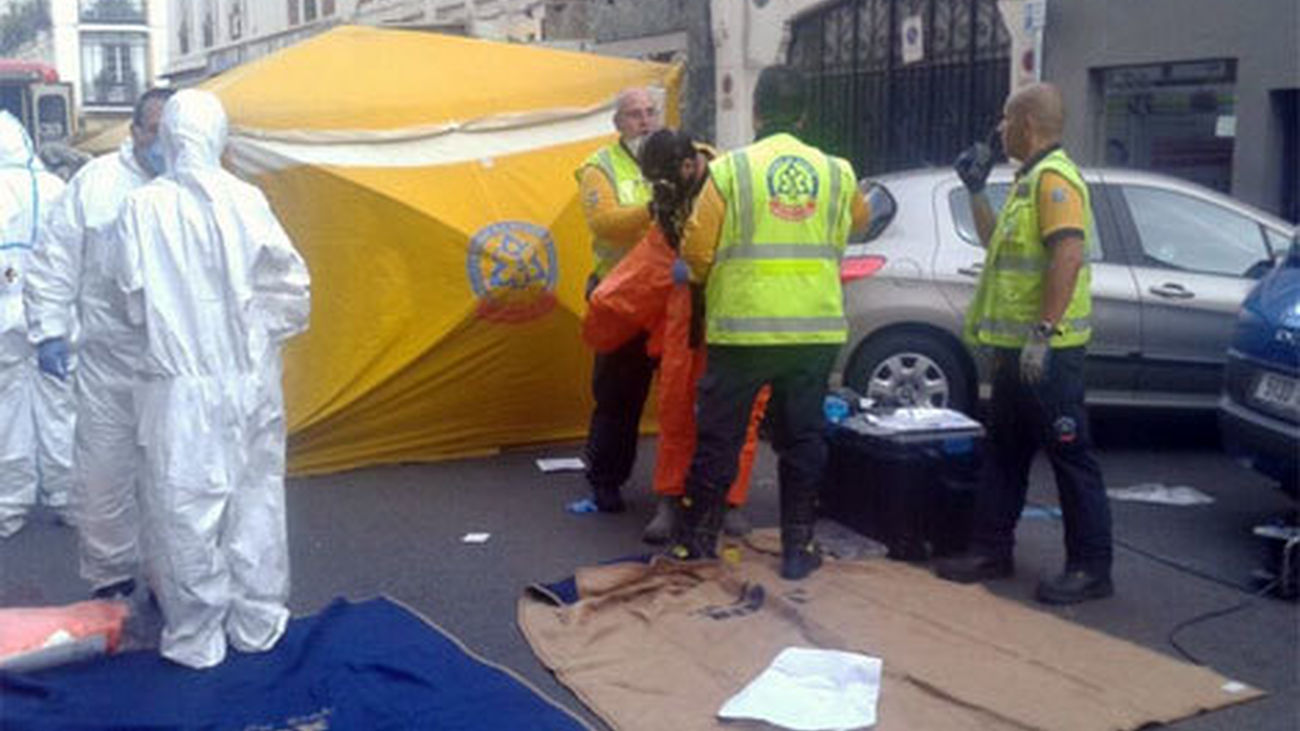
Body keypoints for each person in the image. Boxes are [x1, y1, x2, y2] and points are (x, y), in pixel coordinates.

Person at [108, 89, 311, 668]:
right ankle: (258, 620)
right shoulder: (248, 200)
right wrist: (253, 337)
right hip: (250, 380)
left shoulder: (141, 208)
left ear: (169, 135)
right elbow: (292, 293)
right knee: (257, 501)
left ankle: (197, 635)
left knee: (185, 509)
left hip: (179, 386)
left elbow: (129, 301)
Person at [668, 66, 871, 580]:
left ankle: (697, 546)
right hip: (814, 329)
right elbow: (857, 223)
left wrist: (718, 279)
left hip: (743, 330)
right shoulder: (837, 172)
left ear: (756, 111)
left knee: (720, 437)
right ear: (804, 113)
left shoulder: (731, 171)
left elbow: (695, 248)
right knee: (804, 440)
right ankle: (798, 549)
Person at [934, 83, 1113, 605]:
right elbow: (995, 247)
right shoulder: (1027, 182)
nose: (999, 127)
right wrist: (974, 192)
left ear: (1028, 123)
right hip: (1017, 353)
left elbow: (1068, 256)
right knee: (1005, 452)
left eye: (1006, 118)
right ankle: (991, 550)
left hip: (1048, 354)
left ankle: (1091, 567)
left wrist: (1042, 334)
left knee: (1069, 455)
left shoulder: (1056, 181)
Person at [583, 129, 769, 544]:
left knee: (738, 414)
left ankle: (727, 502)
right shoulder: (673, 190)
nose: (661, 193)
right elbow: (655, 253)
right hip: (684, 314)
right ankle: (670, 498)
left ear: (688, 165)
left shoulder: (727, 181)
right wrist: (612, 298)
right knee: (675, 406)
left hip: (729, 306)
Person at [25, 88, 174, 599]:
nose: (164, 141)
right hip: (108, 363)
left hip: (176, 368)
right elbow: (55, 260)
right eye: (155, 130)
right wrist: (48, 329)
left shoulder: (199, 186)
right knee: (104, 476)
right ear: (134, 132)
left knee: (172, 480)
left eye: (172, 130)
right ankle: (110, 580)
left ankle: (169, 576)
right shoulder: (98, 183)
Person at [576, 87, 662, 514]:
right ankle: (606, 480)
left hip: (670, 297)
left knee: (684, 398)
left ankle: (682, 487)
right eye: (633, 115)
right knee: (618, 396)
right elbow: (606, 223)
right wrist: (657, 206)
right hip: (622, 297)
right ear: (617, 124)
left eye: (650, 113)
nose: (644, 121)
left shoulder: (685, 153)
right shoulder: (599, 167)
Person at [0, 111, 70, 538]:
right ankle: (68, 497)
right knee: (61, 408)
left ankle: (9, 504)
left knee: (7, 414)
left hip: (3, 318)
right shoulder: (55, 189)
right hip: (53, 316)